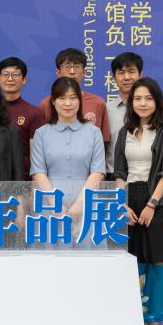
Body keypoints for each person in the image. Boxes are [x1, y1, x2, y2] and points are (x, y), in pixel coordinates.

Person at [111, 77, 163, 325]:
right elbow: (119, 171)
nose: (143, 103)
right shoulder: (125, 132)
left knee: (155, 262)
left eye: (148, 99)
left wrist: (152, 204)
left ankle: (153, 324)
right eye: (138, 98)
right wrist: (122, 204)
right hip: (129, 199)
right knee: (131, 261)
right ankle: (132, 319)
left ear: (157, 102)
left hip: (157, 201)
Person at [30, 77, 106, 223]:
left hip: (86, 205)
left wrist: (80, 204)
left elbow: (97, 172)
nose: (68, 103)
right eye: (62, 98)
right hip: (50, 207)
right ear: (53, 101)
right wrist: (55, 204)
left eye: (73, 98)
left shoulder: (94, 133)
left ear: (80, 101)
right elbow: (38, 172)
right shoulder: (41, 133)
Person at [39, 48, 111, 155]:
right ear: (58, 72)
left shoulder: (98, 103)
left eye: (77, 66)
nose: (72, 71)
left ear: (84, 72)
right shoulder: (46, 104)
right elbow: (40, 142)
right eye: (67, 66)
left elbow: (104, 142)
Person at [0, 57, 43, 178]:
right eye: (5, 74)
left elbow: (37, 157)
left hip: (22, 179)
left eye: (16, 74)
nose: (10, 78)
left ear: (24, 80)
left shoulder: (34, 113)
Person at [107, 52, 144, 177]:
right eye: (121, 72)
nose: (127, 77)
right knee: (107, 191)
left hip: (145, 177)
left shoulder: (155, 109)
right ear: (114, 78)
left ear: (140, 75)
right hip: (111, 177)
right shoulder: (105, 110)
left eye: (131, 71)